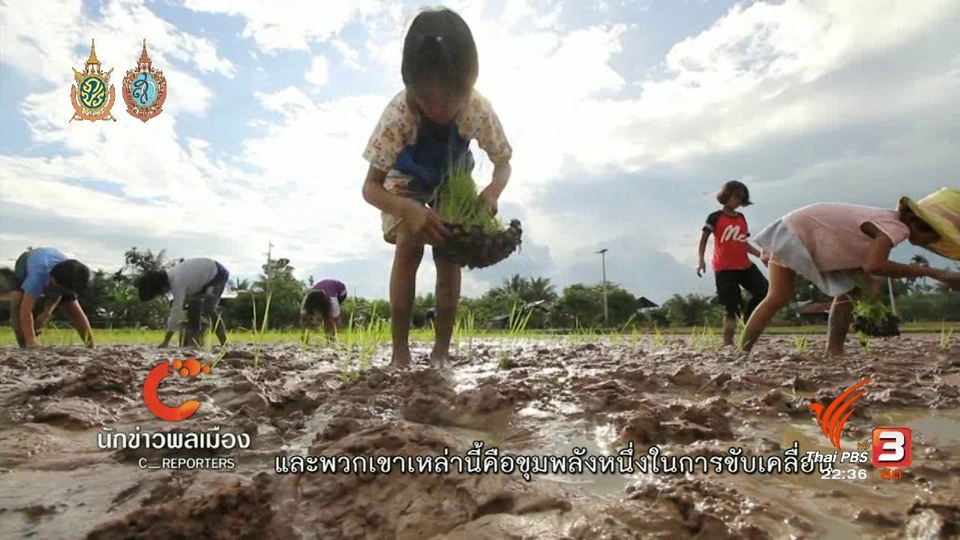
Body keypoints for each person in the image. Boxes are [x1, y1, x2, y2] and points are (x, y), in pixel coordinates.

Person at [360, 7, 513, 369]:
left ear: (469, 86)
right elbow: (370, 187)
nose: (441, 109)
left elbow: (503, 163)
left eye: (452, 99)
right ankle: (400, 352)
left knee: (449, 253)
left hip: (453, 180)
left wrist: (492, 192)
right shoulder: (398, 116)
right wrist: (407, 209)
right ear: (411, 86)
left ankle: (441, 352)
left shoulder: (477, 110)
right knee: (409, 246)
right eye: (428, 99)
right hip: (405, 183)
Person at [740, 187, 960, 355]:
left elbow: (857, 256)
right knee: (779, 296)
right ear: (919, 222)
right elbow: (875, 265)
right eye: (937, 236)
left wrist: (870, 285)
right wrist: (934, 273)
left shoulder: (886, 220)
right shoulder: (897, 228)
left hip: (799, 231)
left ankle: (745, 351)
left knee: (849, 291)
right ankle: (744, 351)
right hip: (801, 234)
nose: (933, 243)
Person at [697, 180, 769, 346]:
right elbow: (703, 240)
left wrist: (761, 255)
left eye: (741, 199)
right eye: (736, 197)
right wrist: (701, 260)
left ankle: (748, 320)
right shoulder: (715, 217)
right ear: (726, 196)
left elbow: (743, 242)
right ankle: (728, 343)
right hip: (724, 269)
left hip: (744, 265)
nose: (738, 202)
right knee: (731, 308)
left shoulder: (741, 218)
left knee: (764, 290)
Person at [5, 247, 94, 348]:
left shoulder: (71, 275)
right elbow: (25, 309)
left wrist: (46, 314)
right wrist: (32, 340)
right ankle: (25, 345)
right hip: (26, 263)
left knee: (73, 306)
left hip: (61, 275)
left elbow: (58, 294)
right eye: (53, 286)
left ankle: (90, 345)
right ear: (51, 278)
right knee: (17, 303)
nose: (52, 290)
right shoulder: (37, 277)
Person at [136, 257, 230, 348]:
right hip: (201, 280)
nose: (162, 294)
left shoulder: (177, 282)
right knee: (193, 306)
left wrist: (166, 341)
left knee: (208, 309)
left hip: (217, 274)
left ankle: (224, 343)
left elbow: (176, 312)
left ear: (162, 287)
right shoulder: (172, 276)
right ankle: (195, 340)